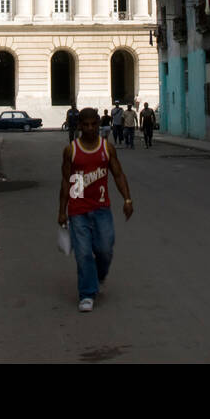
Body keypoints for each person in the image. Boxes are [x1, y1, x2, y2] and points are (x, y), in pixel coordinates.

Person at [58, 107, 133, 312]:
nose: (90, 128)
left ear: (98, 124)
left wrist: (127, 199)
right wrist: (62, 211)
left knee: (104, 249)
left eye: (93, 124)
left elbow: (118, 174)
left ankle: (99, 276)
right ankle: (87, 294)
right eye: (86, 125)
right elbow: (66, 181)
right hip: (78, 209)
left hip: (101, 208)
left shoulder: (106, 148)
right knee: (83, 253)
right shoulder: (71, 150)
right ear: (80, 125)